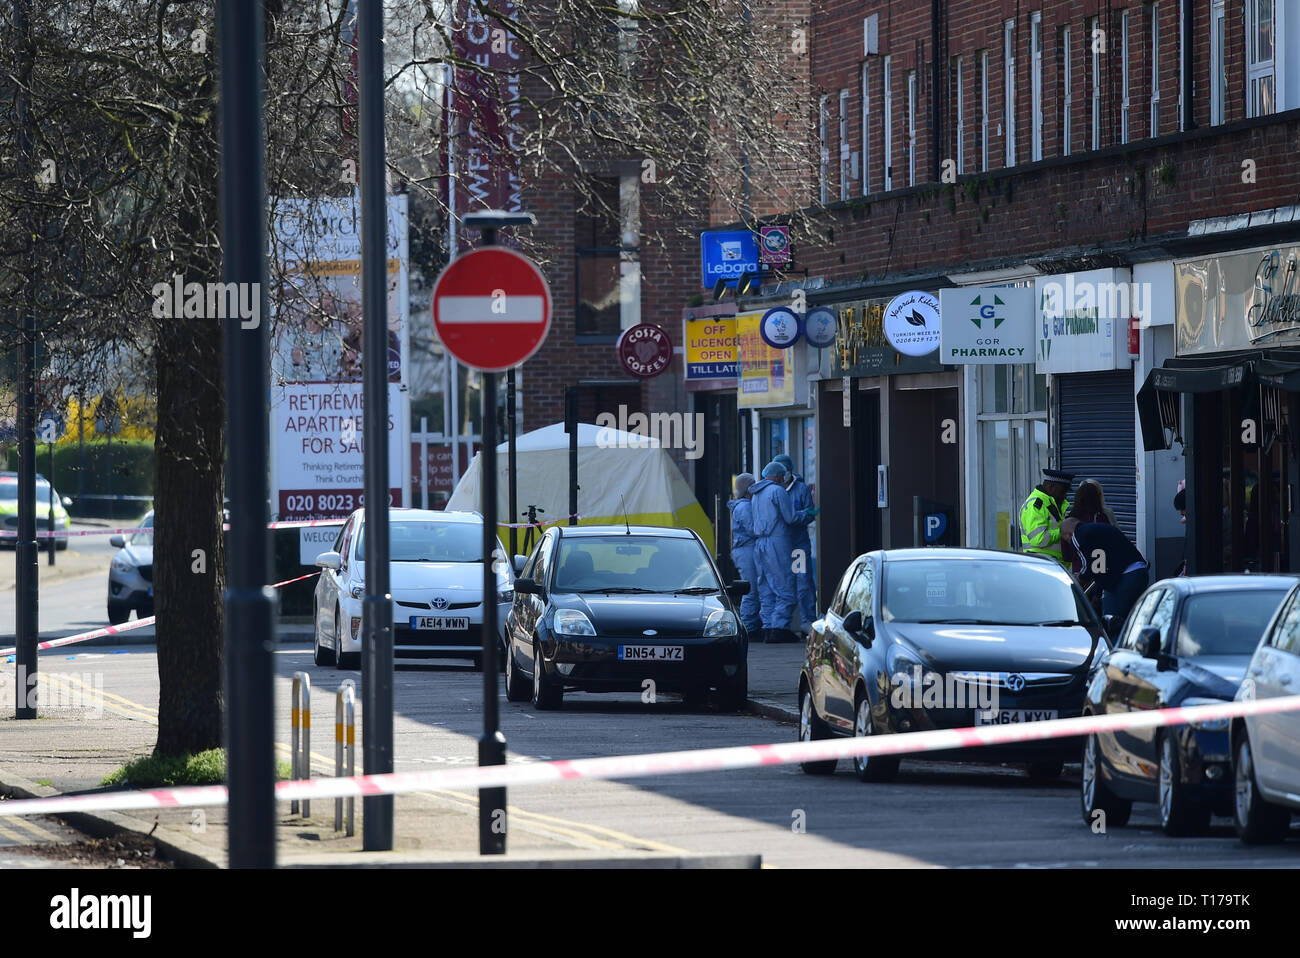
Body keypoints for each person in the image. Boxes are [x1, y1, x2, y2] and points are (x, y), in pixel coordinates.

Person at [1060, 517, 1149, 633]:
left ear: (1068, 534)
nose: (1069, 543)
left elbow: (1088, 567)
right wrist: (1097, 594)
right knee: (1132, 622)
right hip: (1140, 572)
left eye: (1066, 540)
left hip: (1124, 578)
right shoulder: (1098, 529)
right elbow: (1099, 568)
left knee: (1110, 623)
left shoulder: (1077, 535)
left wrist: (1075, 585)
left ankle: (1114, 649)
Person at [748, 461, 800, 643]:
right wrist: (808, 513)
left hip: (759, 544)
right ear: (779, 476)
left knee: (767, 588)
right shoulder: (778, 491)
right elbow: (790, 517)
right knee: (785, 585)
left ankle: (768, 627)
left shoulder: (756, 494)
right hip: (777, 542)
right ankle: (780, 627)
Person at [773, 453, 819, 627]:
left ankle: (807, 620)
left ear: (789, 471)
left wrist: (795, 517)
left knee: (803, 582)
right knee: (779, 584)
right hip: (778, 546)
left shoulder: (801, 489)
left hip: (797, 545)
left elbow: (809, 514)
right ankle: (781, 625)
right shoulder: (772, 489)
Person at [726, 473, 763, 639]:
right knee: (751, 589)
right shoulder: (745, 507)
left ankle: (751, 624)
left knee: (752, 588)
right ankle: (748, 627)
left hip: (745, 549)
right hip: (746, 550)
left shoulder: (741, 506)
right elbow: (753, 529)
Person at [1019, 468, 1075, 568]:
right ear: (1051, 487)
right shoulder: (1036, 505)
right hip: (1041, 564)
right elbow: (1039, 539)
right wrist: (1063, 530)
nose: (1065, 495)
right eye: (1063, 491)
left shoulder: (1051, 503)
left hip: (1050, 564)